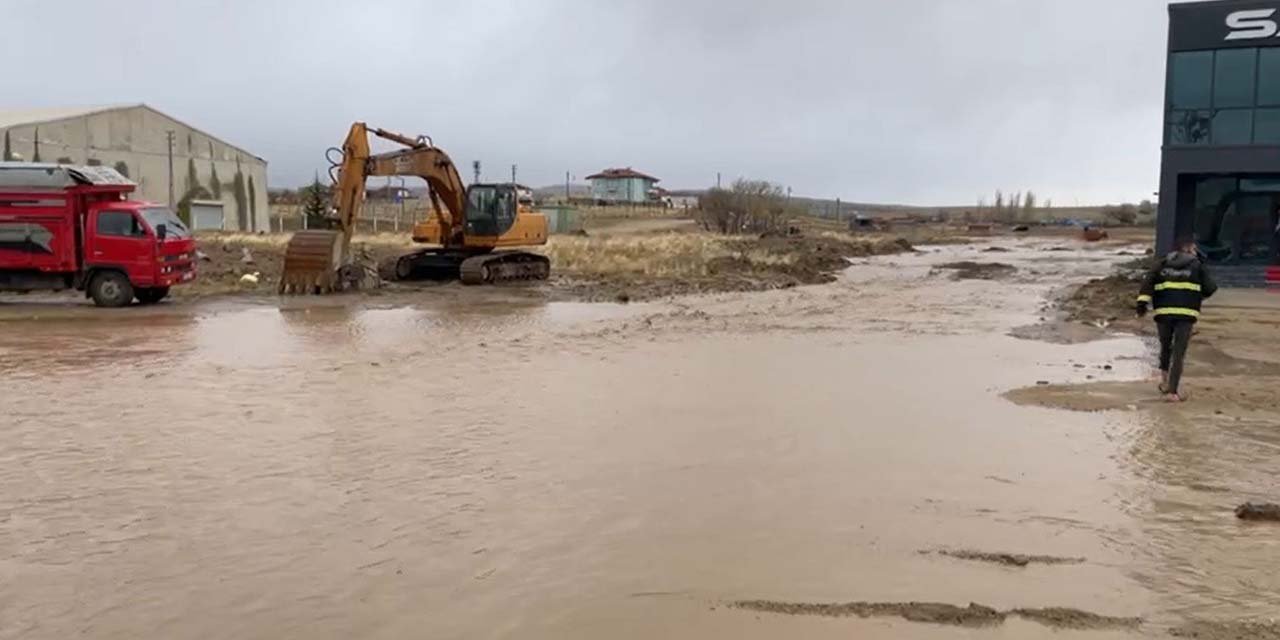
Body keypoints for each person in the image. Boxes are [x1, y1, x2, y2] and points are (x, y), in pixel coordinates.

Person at [1136, 235, 1218, 402]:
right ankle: (1173, 392)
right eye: (1194, 249)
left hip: (1163, 313)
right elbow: (1211, 288)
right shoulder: (1197, 265)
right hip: (1186, 314)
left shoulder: (1161, 264)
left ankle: (1164, 380)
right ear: (1190, 250)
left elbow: (1147, 285)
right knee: (1178, 352)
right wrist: (1195, 296)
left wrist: (1141, 306)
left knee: (1165, 346)